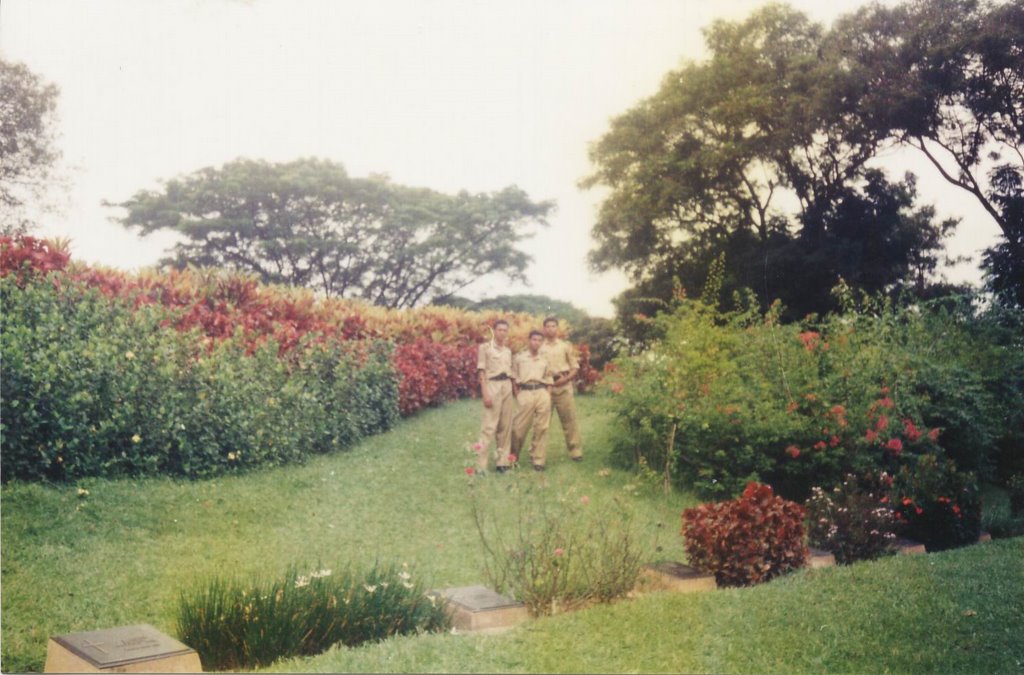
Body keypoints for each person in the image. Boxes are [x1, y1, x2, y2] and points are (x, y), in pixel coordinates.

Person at [539, 316, 583, 462]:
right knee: (542, 423)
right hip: (546, 389)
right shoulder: (539, 347)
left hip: (563, 386)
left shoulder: (565, 346)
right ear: (544, 329)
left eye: (553, 326)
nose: (551, 329)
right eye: (548, 326)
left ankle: (575, 451)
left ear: (557, 329)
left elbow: (575, 367)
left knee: (569, 420)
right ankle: (538, 454)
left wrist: (565, 379)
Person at [474, 319, 515, 474]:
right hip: (492, 385)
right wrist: (485, 392)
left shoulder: (508, 351)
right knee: (489, 426)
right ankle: (481, 465)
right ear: (494, 331)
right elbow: (481, 371)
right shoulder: (485, 348)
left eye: (505, 330)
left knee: (505, 426)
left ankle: (502, 462)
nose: (502, 333)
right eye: (499, 330)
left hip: (506, 386)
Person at [511, 329, 555, 471]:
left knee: (542, 427)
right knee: (518, 428)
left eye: (539, 340)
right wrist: (518, 394)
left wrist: (547, 395)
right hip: (525, 392)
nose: (536, 343)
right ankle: (512, 457)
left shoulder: (545, 359)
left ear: (542, 343)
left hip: (542, 392)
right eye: (534, 339)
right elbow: (514, 377)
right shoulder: (519, 358)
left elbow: (549, 378)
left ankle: (538, 460)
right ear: (529, 341)